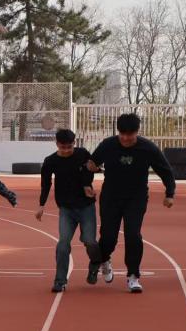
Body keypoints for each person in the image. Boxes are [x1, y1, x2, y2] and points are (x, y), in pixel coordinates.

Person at [87, 113, 175, 294]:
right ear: (118, 132)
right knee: (108, 236)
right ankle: (104, 259)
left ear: (137, 132)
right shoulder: (108, 145)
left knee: (133, 235)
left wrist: (170, 194)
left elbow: (165, 170)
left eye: (130, 134)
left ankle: (133, 275)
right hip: (111, 197)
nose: (126, 138)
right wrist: (88, 179)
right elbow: (92, 163)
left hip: (136, 198)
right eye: (123, 134)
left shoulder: (148, 148)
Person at [36, 129, 100, 292]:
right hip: (66, 208)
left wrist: (87, 185)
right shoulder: (50, 161)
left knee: (90, 241)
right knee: (63, 244)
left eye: (69, 147)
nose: (66, 150)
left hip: (86, 206)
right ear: (57, 144)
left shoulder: (82, 154)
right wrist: (41, 205)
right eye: (62, 147)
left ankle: (96, 263)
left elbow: (90, 170)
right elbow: (46, 184)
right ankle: (60, 281)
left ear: (74, 143)